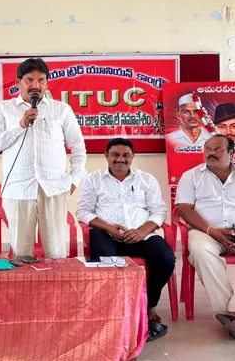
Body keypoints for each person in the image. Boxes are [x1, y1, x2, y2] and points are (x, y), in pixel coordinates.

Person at [0, 57, 86, 259]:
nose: (35, 85)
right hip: (18, 189)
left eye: (41, 80)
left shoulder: (61, 109)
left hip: (55, 188)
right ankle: (24, 281)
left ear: (47, 83)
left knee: (56, 252)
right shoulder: (2, 109)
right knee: (21, 254)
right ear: (18, 82)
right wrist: (20, 126)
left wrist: (74, 179)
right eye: (29, 80)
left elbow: (78, 148)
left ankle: (57, 281)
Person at [76, 138, 175, 342]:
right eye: (115, 155)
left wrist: (141, 232)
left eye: (125, 155)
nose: (120, 159)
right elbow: (83, 211)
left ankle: (148, 305)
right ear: (106, 156)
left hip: (141, 234)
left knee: (166, 258)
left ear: (132, 157)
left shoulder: (146, 180)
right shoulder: (93, 179)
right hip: (106, 233)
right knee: (107, 263)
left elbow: (159, 210)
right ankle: (115, 311)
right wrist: (108, 227)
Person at [175, 135, 235, 340]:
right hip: (206, 232)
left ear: (231, 153)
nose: (211, 153)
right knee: (200, 251)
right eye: (208, 149)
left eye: (218, 149)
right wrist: (211, 230)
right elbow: (184, 208)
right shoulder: (191, 176)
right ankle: (230, 311)